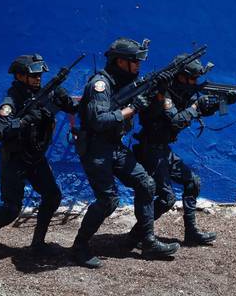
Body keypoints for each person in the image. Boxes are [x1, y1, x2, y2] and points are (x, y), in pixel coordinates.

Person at [0, 53, 79, 270]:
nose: (38, 79)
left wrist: (63, 98)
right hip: (15, 160)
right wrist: (26, 120)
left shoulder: (45, 93)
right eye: (33, 75)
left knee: (52, 196)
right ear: (19, 76)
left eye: (40, 75)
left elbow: (73, 109)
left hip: (35, 157)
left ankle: (38, 244)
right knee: (10, 209)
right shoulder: (11, 101)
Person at [71, 38, 180, 268]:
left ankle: (147, 241)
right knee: (108, 201)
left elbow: (152, 110)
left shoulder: (124, 83)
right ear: (120, 61)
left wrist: (159, 89)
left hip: (115, 147)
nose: (138, 66)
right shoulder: (100, 84)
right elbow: (100, 120)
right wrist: (132, 109)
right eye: (135, 62)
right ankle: (79, 247)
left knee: (146, 184)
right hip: (96, 150)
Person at [130, 54, 236, 246]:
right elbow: (177, 120)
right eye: (192, 78)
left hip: (163, 150)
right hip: (150, 150)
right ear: (180, 75)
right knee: (166, 198)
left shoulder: (181, 92)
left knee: (192, 182)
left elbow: (197, 110)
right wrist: (196, 105)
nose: (195, 82)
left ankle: (191, 233)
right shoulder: (163, 92)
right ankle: (137, 234)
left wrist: (225, 102)